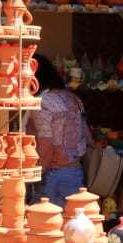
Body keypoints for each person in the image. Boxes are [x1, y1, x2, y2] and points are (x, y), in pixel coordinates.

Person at [32, 55, 90, 203]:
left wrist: (32, 178)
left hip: (53, 176)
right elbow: (87, 138)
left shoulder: (42, 103)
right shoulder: (73, 99)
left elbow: (45, 147)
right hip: (76, 172)